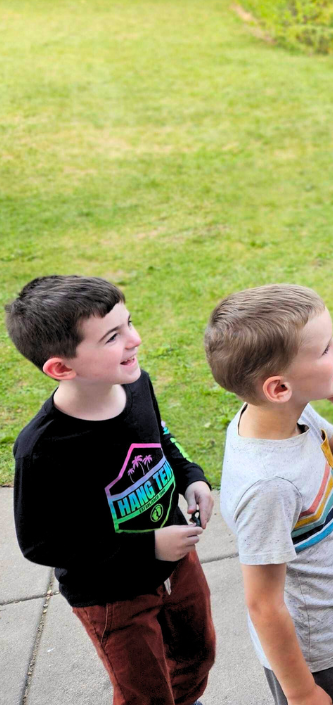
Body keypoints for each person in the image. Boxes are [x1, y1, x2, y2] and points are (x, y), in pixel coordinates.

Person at [7, 275, 216, 705]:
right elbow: (41, 542)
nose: (135, 340)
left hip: (177, 563)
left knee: (197, 655)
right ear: (62, 368)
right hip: (112, 598)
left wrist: (191, 475)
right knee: (145, 694)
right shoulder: (42, 450)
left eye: (130, 323)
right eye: (113, 336)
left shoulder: (135, 385)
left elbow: (159, 439)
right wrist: (148, 548)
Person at [205, 284, 333, 705]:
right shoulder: (269, 487)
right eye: (324, 351)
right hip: (311, 659)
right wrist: (301, 693)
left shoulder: (293, 414)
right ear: (278, 387)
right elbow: (263, 604)